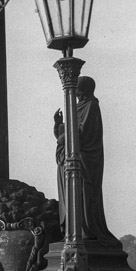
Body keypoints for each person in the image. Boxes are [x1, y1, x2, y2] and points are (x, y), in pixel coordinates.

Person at [54, 76, 119, 247]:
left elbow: (84, 132)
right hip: (68, 157)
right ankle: (70, 230)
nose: (75, 93)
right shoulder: (75, 107)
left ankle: (84, 230)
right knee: (68, 194)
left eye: (77, 89)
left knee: (82, 193)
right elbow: (68, 132)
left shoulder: (92, 106)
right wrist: (59, 126)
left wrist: (64, 136)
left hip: (84, 160)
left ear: (83, 89)